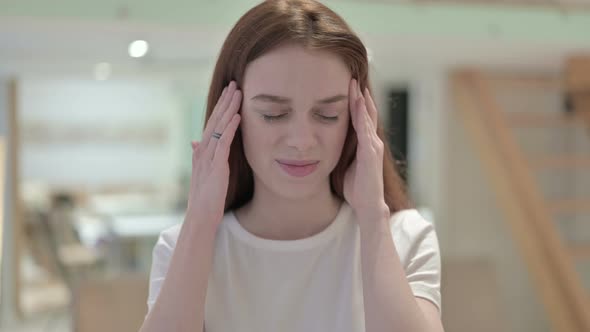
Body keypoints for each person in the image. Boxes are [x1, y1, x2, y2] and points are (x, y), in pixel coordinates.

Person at [140, 0, 443, 331]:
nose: (301, 140)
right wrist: (199, 221)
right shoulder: (183, 249)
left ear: (358, 121)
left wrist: (373, 218)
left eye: (328, 115)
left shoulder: (404, 238)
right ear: (230, 118)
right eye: (273, 114)